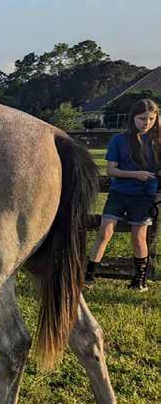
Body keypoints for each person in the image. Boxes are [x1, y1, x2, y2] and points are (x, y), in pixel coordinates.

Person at [86, 99, 160, 291]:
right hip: (118, 193)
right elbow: (111, 170)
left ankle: (139, 280)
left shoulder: (157, 142)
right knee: (104, 233)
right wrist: (136, 174)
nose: (146, 123)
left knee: (138, 237)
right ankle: (88, 276)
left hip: (144, 197)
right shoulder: (119, 140)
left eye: (151, 119)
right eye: (142, 118)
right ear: (133, 118)